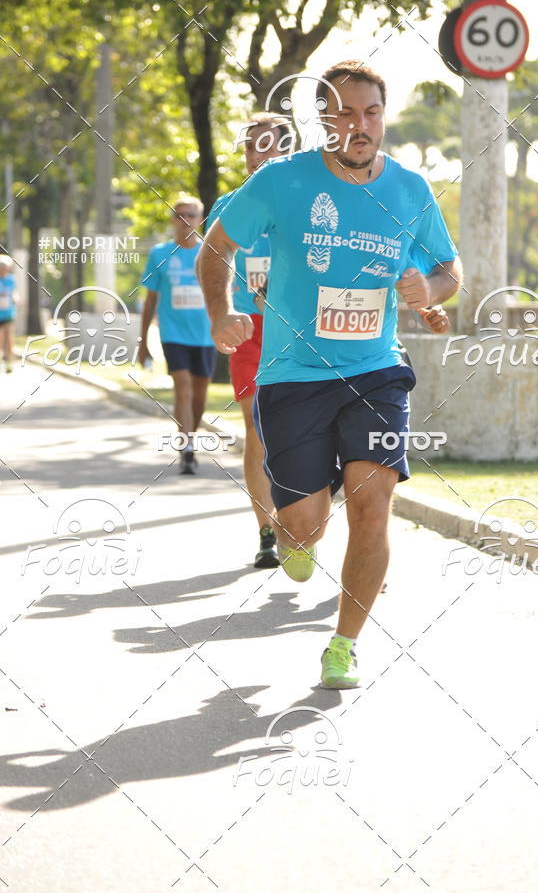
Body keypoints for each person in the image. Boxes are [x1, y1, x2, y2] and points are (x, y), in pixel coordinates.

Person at [198, 60, 462, 689]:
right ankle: (298, 531)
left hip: (376, 370)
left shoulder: (410, 190)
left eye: (370, 111)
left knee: (374, 504)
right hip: (291, 375)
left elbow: (449, 273)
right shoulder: (281, 182)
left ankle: (343, 645)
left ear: (383, 116)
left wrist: (430, 292)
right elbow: (215, 247)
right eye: (343, 112)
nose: (359, 124)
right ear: (322, 119)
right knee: (304, 525)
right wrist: (220, 312)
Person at [205, 113, 293, 568]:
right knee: (257, 432)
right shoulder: (228, 203)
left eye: (266, 146)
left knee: (305, 435)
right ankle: (266, 532)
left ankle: (302, 522)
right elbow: (216, 261)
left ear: (286, 151)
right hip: (250, 334)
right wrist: (224, 312)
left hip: (300, 334)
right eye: (249, 148)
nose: (256, 156)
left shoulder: (306, 199)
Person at [139, 194, 215, 475]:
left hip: (206, 335)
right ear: (173, 219)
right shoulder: (160, 254)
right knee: (182, 388)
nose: (186, 221)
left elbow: (225, 291)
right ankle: (186, 450)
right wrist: (142, 341)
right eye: (181, 215)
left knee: (200, 398)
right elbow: (150, 301)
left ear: (201, 219)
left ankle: (189, 438)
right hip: (173, 333)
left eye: (192, 215)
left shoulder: (211, 252)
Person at [0, 255, 16, 373]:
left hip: (8, 312)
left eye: (5, 267)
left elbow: (14, 292)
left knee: (8, 336)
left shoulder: (11, 279)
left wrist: (17, 299)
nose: (3, 269)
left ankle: (9, 361)